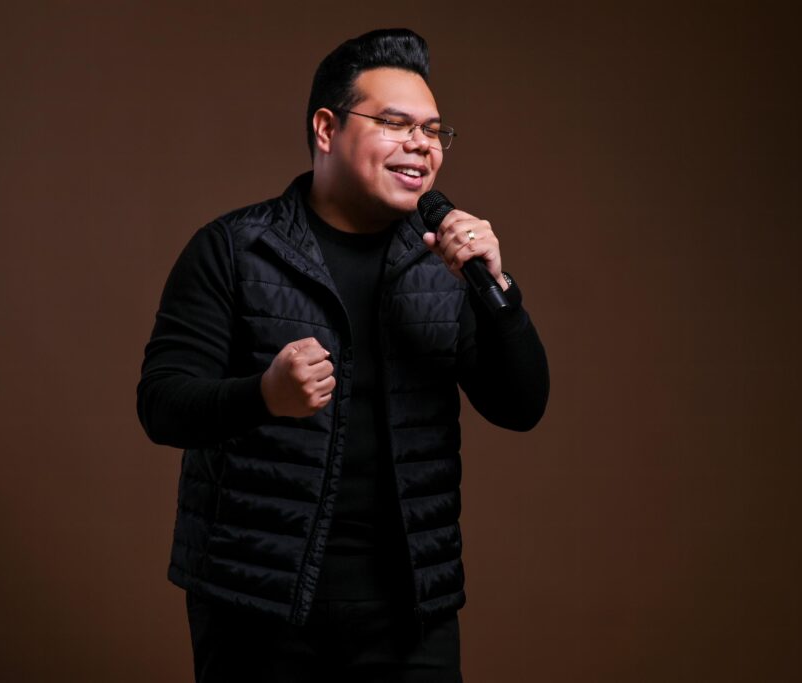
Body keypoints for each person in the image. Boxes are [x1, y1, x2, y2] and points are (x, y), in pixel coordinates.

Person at [137, 28, 549, 683]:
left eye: (433, 130)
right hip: (256, 605)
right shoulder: (235, 249)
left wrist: (499, 289)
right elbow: (161, 404)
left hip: (412, 610)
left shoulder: (448, 265)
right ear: (327, 129)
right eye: (395, 123)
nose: (421, 143)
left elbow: (521, 406)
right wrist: (263, 395)